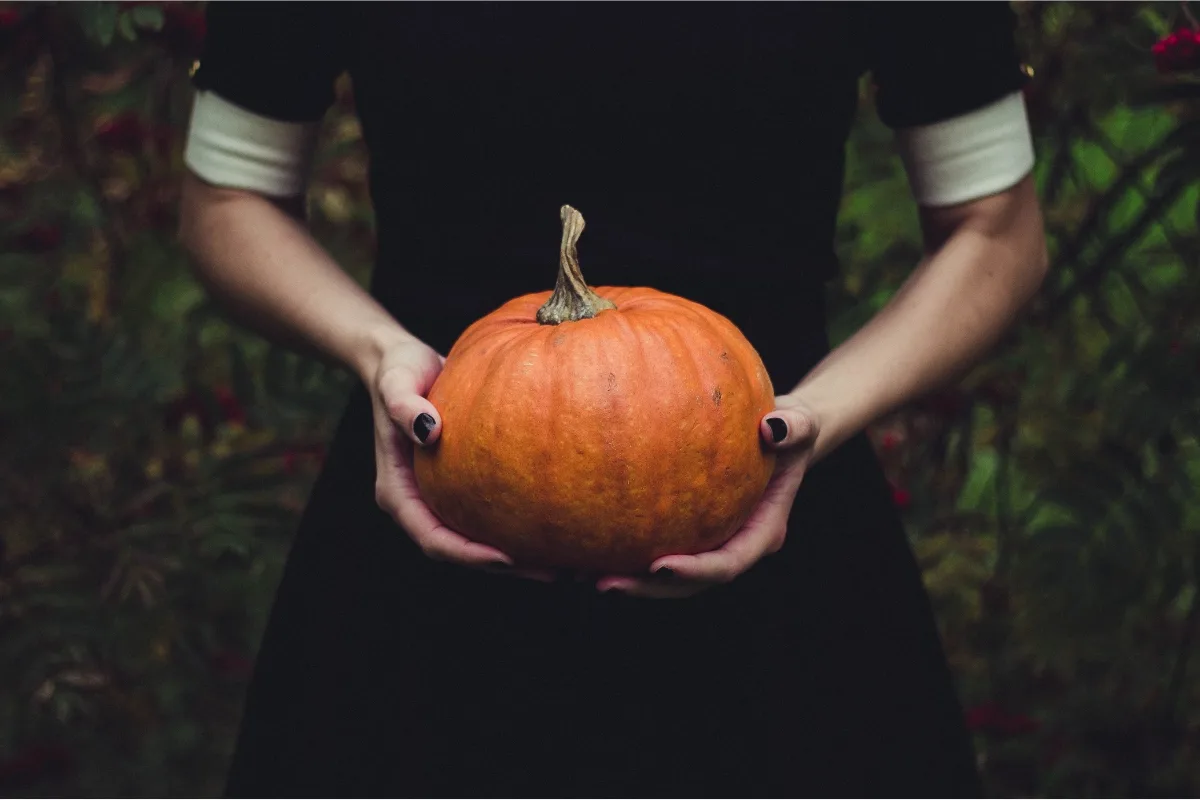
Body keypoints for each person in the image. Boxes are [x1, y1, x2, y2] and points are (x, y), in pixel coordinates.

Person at [178, 2, 1047, 796]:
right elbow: (228, 199)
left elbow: (996, 230)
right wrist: (379, 355)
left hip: (773, 505)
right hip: (433, 493)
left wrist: (816, 417)